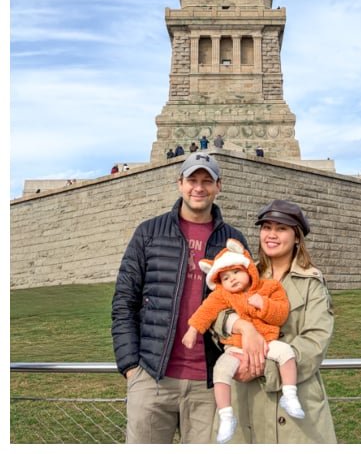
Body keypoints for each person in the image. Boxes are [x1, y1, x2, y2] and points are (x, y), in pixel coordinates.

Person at [111, 152, 249, 444]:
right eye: (192, 180)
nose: (198, 188)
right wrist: (131, 367)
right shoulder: (148, 233)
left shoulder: (233, 241)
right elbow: (124, 301)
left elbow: (245, 302)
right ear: (180, 184)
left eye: (207, 181)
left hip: (210, 384)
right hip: (151, 378)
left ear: (218, 186)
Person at [211, 199, 337, 443]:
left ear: (297, 236)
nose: (271, 235)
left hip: (295, 398)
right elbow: (216, 310)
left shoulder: (312, 284)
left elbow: (315, 341)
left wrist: (260, 367)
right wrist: (240, 326)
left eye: (281, 229)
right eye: (266, 227)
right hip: (246, 399)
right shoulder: (244, 273)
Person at [182, 239, 306, 443]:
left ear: (248, 269)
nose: (232, 279)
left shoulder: (269, 287)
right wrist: (193, 330)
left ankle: (290, 394)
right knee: (220, 371)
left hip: (266, 341)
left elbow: (281, 313)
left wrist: (264, 305)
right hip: (235, 348)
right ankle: (226, 415)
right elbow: (206, 311)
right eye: (225, 277)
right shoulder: (222, 295)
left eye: (236, 272)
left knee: (286, 353)